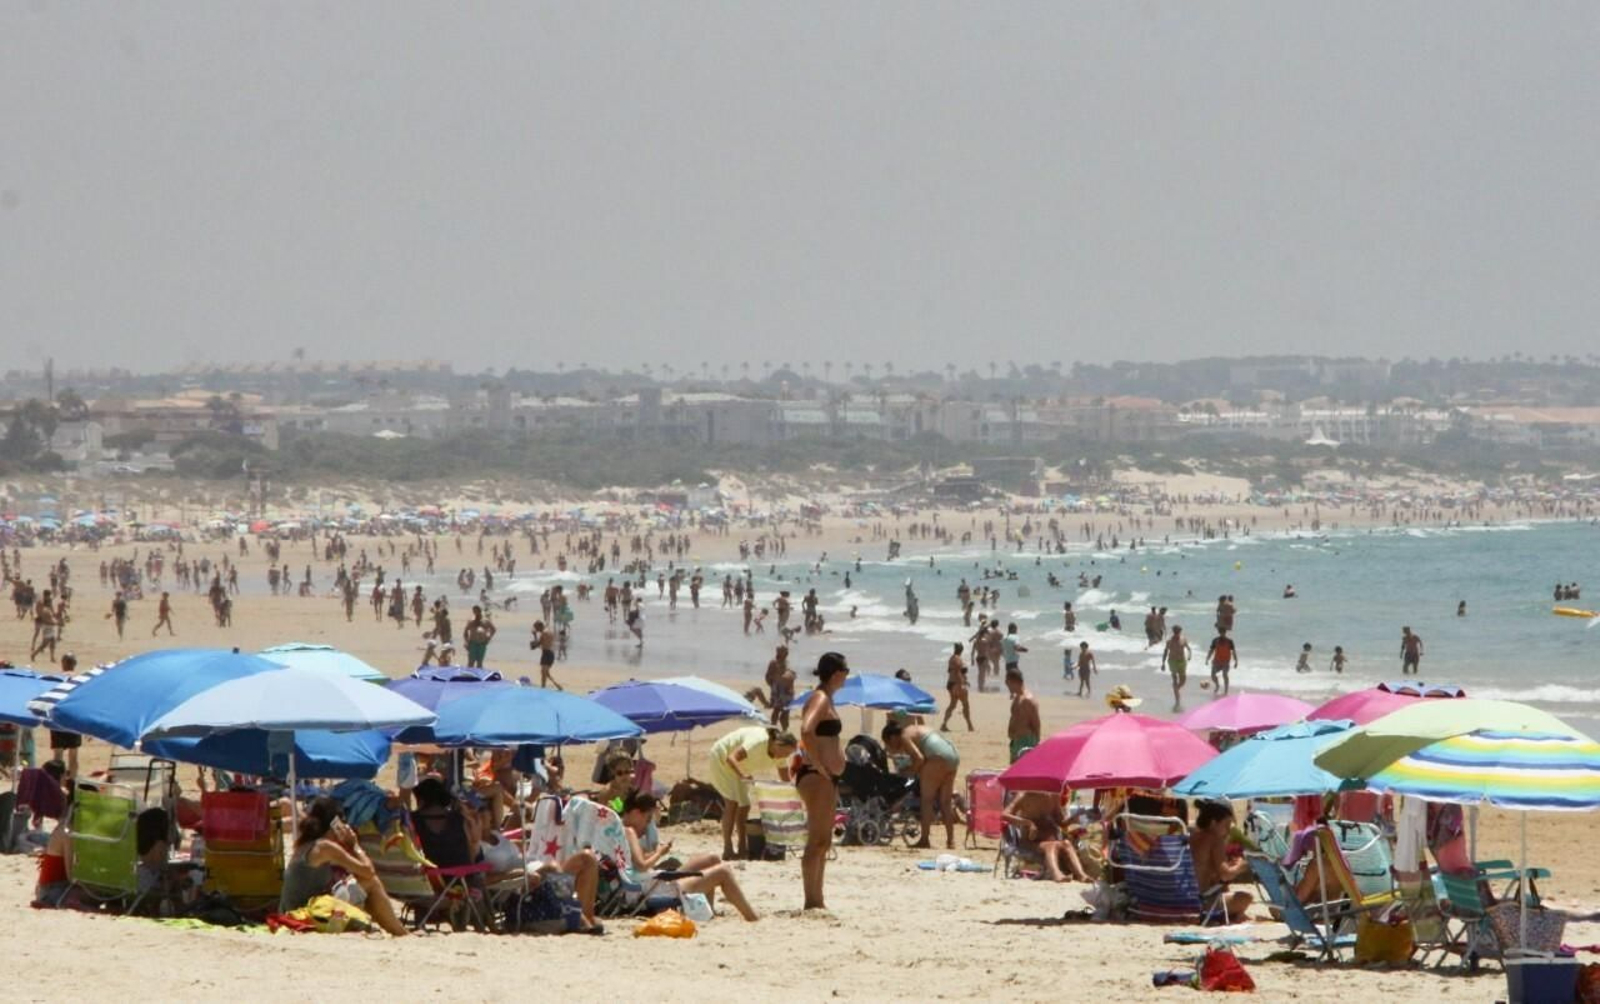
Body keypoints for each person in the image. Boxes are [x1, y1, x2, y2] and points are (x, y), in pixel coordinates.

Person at [280, 796, 408, 935]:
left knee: (356, 886)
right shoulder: (325, 847)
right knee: (371, 883)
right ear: (336, 824)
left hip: (293, 912)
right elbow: (368, 871)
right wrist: (354, 845)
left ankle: (390, 928)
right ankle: (399, 931)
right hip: (309, 914)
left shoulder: (306, 844)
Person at [620, 793, 757, 921]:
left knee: (712, 859)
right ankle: (752, 918)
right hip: (650, 890)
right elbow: (641, 865)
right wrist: (659, 853)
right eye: (647, 819)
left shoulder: (617, 830)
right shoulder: (629, 832)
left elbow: (636, 863)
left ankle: (709, 912)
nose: (647, 825)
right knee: (724, 872)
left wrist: (657, 852)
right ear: (636, 813)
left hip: (648, 883)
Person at [795, 652, 848, 911]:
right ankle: (810, 899)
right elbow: (806, 729)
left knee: (824, 840)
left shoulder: (828, 699)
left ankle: (818, 899)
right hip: (816, 776)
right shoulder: (820, 698)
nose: (847, 676)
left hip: (826, 777)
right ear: (837, 673)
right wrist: (817, 764)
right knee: (816, 840)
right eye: (845, 671)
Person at [707, 726, 796, 859]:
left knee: (745, 805)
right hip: (721, 757)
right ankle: (728, 849)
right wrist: (743, 775)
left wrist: (795, 794)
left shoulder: (780, 754)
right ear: (777, 744)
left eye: (789, 755)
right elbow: (731, 758)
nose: (786, 757)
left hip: (738, 766)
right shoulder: (758, 742)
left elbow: (786, 779)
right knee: (732, 802)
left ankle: (743, 847)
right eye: (786, 753)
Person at [880, 719, 959, 850]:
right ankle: (951, 841)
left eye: (888, 742)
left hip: (936, 758)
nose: (891, 746)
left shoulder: (904, 735)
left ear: (893, 737)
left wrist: (909, 771)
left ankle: (924, 840)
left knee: (926, 801)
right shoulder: (915, 729)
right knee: (945, 802)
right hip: (952, 756)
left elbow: (919, 758)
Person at [1001, 791, 1089, 882]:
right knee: (1050, 846)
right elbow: (1004, 815)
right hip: (1031, 839)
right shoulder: (1025, 795)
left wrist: (1072, 819)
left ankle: (1081, 875)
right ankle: (1056, 874)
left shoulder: (1054, 796)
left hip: (1051, 837)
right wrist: (1027, 823)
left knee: (1066, 844)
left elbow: (1061, 822)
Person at [1190, 801, 1253, 923]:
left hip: (1187, 898)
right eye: (1227, 824)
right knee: (1246, 898)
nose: (1229, 830)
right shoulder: (1214, 839)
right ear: (1213, 822)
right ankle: (1233, 916)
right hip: (1203, 903)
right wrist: (1241, 866)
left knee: (1224, 889)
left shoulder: (1192, 836)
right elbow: (1226, 874)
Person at [1005, 670, 1040, 764]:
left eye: (1007, 683)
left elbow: (1036, 724)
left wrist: (1036, 744)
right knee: (1013, 772)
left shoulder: (1028, 700)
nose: (1007, 686)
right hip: (1015, 741)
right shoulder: (1017, 698)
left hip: (1025, 741)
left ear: (1014, 681)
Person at [941, 642, 973, 732]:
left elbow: (951, 671)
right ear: (961, 650)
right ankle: (969, 725)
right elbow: (958, 673)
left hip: (951, 683)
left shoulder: (952, 658)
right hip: (956, 683)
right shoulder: (958, 659)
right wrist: (961, 684)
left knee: (953, 705)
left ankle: (944, 724)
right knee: (965, 705)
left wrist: (964, 680)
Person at [1162, 626, 1191, 712]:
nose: (1177, 633)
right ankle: (1177, 700)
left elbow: (1188, 648)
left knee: (1183, 681)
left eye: (1178, 631)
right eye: (1175, 631)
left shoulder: (1183, 639)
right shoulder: (1169, 641)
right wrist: (1163, 663)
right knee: (1174, 679)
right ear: (1173, 631)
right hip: (1172, 661)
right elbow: (1165, 651)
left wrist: (1189, 655)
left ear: (1180, 631)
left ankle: (1176, 689)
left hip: (1182, 661)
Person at [765, 646, 794, 730]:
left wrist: (791, 688)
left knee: (785, 712)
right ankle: (773, 728)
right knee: (776, 710)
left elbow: (791, 676)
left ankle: (785, 730)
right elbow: (767, 676)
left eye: (786, 651)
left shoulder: (788, 663)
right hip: (778, 689)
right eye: (783, 651)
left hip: (787, 691)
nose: (786, 653)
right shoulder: (774, 662)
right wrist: (772, 685)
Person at [1206, 629, 1237, 696]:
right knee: (1213, 675)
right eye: (1221, 632)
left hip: (1226, 661)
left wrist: (1236, 661)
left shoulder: (1229, 641)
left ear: (1225, 633)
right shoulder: (1215, 640)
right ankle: (1217, 685)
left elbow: (1233, 651)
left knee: (1225, 674)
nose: (1222, 634)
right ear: (1219, 632)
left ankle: (1226, 691)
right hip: (1217, 661)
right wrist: (1207, 658)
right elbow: (1211, 650)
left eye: (1223, 632)